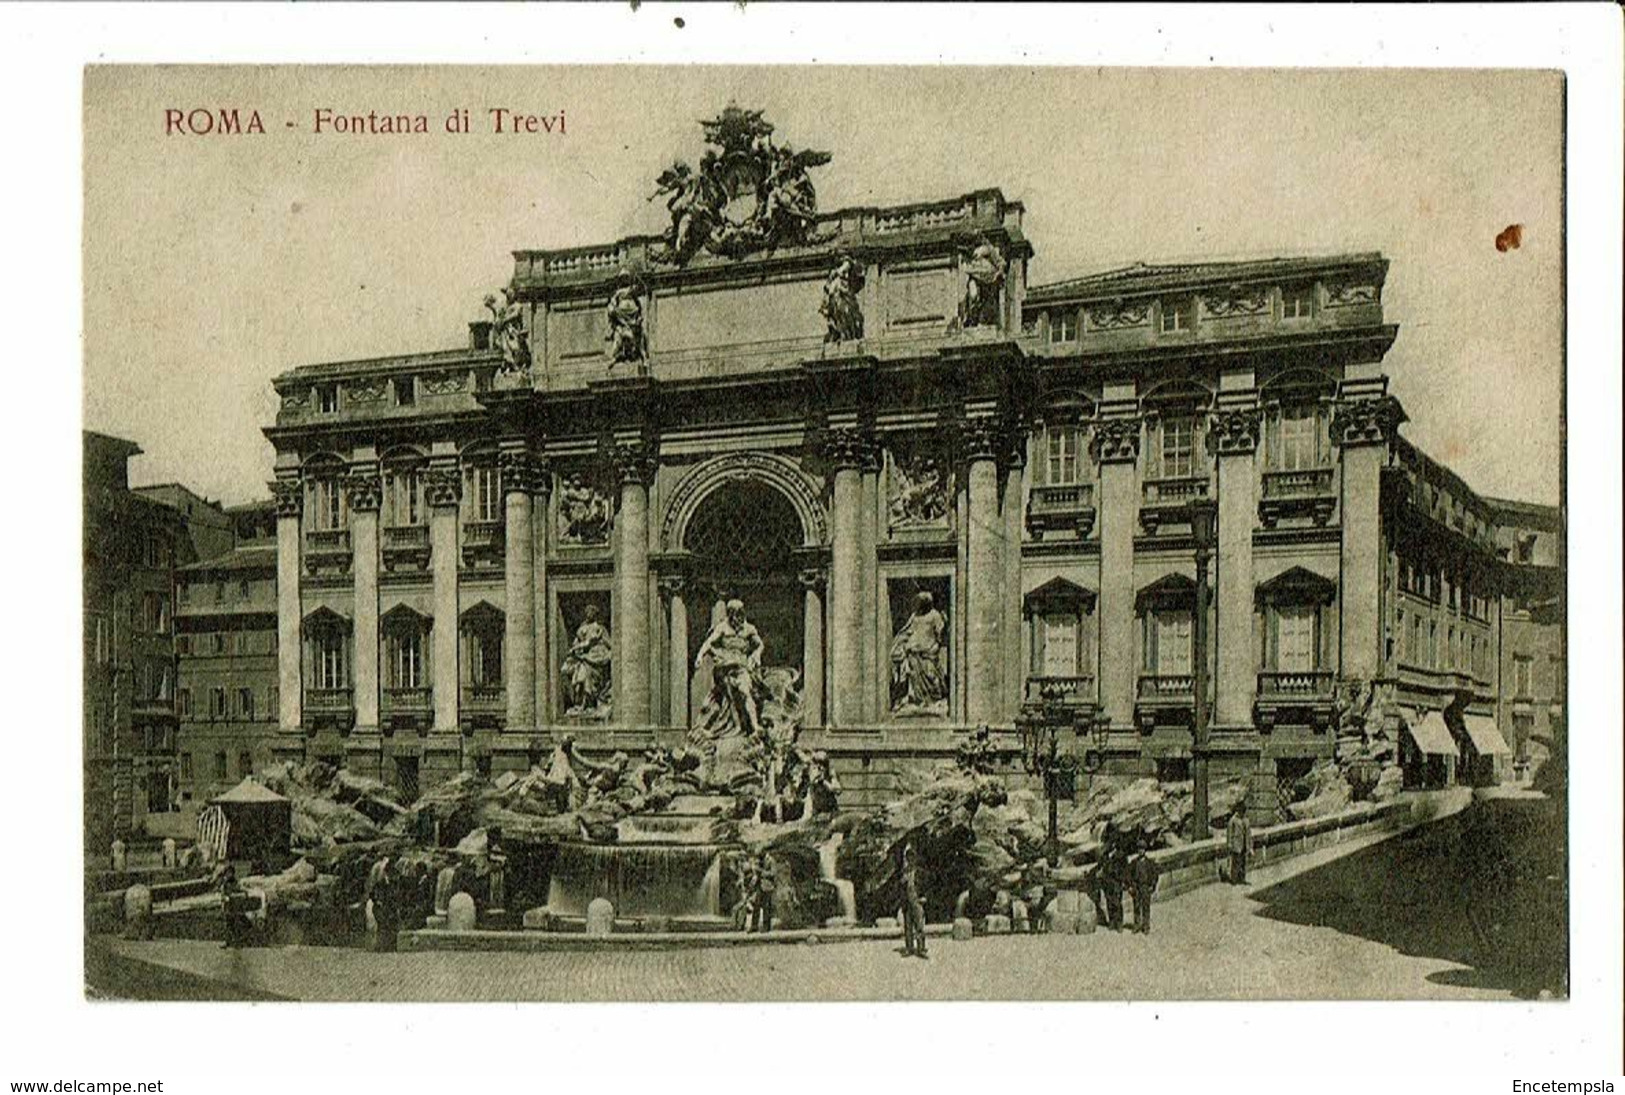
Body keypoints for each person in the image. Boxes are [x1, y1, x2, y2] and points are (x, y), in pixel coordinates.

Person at [694, 599, 766, 742]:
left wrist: (756, 654)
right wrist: (700, 655)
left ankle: (755, 726)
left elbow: (760, 645)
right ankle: (726, 726)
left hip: (741, 669)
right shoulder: (722, 628)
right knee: (725, 698)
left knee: (745, 691)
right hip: (724, 671)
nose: (736, 618)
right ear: (729, 614)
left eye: (739, 614)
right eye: (733, 614)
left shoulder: (749, 629)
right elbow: (709, 642)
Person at [889, 591, 949, 714]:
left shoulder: (934, 615)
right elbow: (907, 630)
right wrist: (904, 644)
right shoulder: (915, 616)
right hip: (914, 651)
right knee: (913, 673)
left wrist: (935, 646)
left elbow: (940, 634)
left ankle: (932, 700)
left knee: (930, 674)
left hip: (929, 651)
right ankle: (917, 699)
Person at [561, 605, 613, 715]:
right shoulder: (582, 628)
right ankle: (580, 704)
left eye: (591, 612)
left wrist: (608, 654)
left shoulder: (600, 629)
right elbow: (577, 642)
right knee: (580, 681)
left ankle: (588, 704)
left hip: (595, 659)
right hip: (583, 660)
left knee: (588, 681)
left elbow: (609, 644)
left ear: (595, 614)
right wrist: (576, 650)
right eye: (587, 612)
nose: (589, 614)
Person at [1129, 833, 1162, 935]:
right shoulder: (1134, 862)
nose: (1140, 851)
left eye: (1142, 849)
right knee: (1136, 907)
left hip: (1145, 887)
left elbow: (1155, 875)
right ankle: (1137, 925)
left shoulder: (1149, 863)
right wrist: (1130, 886)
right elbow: (1129, 875)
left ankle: (1146, 926)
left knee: (1146, 907)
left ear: (1145, 850)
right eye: (1139, 849)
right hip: (1136, 887)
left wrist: (1153, 886)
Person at [900, 843, 929, 959]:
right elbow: (900, 889)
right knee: (908, 927)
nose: (910, 860)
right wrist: (902, 882)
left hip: (917, 901)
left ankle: (921, 948)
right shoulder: (904, 872)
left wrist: (925, 897)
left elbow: (927, 885)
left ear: (915, 859)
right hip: (907, 902)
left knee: (919, 926)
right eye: (908, 858)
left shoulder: (920, 872)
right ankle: (909, 948)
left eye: (912, 857)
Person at [1098, 822, 1128, 932]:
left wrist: (1124, 881)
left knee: (1117, 902)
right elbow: (1101, 865)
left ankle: (1119, 923)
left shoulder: (1121, 854)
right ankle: (1112, 921)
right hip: (1107, 880)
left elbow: (1125, 868)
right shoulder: (1105, 854)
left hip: (1116, 880)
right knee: (1109, 901)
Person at [218, 864, 252, 950]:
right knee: (228, 925)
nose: (229, 874)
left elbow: (239, 889)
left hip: (235, 907)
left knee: (236, 924)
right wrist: (225, 898)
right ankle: (228, 942)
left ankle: (237, 942)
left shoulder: (235, 882)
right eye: (227, 873)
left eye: (230, 873)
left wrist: (244, 892)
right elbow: (223, 895)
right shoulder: (225, 883)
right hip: (228, 907)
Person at [1227, 809, 1253, 885]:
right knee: (1235, 862)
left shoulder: (1246, 820)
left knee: (1243, 862)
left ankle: (1242, 878)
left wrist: (1250, 846)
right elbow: (1229, 833)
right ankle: (1234, 879)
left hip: (1244, 845)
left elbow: (1249, 834)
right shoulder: (1233, 820)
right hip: (1236, 844)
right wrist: (1229, 844)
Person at [753, 854, 777, 934]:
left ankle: (766, 927)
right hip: (760, 885)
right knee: (756, 905)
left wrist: (762, 872)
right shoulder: (759, 861)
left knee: (766, 907)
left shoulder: (771, 860)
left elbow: (773, 873)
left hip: (767, 886)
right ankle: (754, 926)